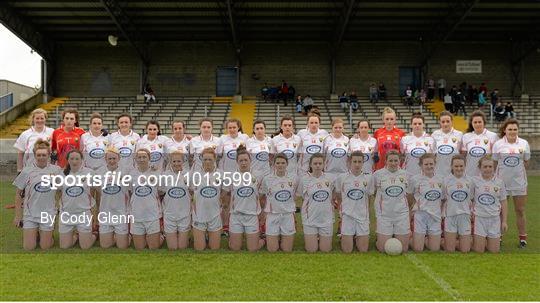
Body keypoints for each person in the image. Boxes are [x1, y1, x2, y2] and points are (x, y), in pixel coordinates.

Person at [12, 139, 61, 250]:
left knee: (45, 247)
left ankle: (48, 235)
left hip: (48, 213)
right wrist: (18, 215)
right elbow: (18, 194)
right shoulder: (27, 171)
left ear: (49, 155)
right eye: (38, 155)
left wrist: (61, 207)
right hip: (30, 214)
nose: (41, 157)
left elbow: (61, 191)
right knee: (29, 247)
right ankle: (36, 233)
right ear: (34, 155)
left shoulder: (56, 170)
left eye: (44, 155)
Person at [492, 119, 530, 248]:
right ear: (505, 130)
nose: (513, 132)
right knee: (500, 211)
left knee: (520, 210)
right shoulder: (498, 144)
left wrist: (516, 173)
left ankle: (523, 238)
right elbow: (495, 163)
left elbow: (526, 162)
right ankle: (498, 236)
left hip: (519, 184)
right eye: (510, 129)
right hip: (501, 184)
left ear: (518, 130)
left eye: (515, 129)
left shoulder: (524, 143)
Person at [224, 147, 264, 251]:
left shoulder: (258, 175)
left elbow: (262, 194)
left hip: (252, 216)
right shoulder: (231, 176)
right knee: (235, 248)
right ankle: (234, 239)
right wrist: (227, 210)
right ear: (237, 162)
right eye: (241, 160)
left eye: (246, 160)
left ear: (250, 161)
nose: (243, 163)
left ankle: (263, 240)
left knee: (253, 249)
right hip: (236, 216)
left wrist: (261, 212)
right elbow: (226, 195)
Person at [57, 150, 97, 249]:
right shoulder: (61, 174)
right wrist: (60, 204)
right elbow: (58, 191)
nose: (74, 161)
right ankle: (76, 236)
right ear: (67, 160)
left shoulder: (89, 173)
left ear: (81, 160)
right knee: (64, 246)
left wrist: (93, 207)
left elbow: (95, 190)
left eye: (77, 159)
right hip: (66, 214)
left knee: (85, 247)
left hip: (83, 213)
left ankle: (95, 234)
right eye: (71, 159)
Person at [335, 151, 374, 253]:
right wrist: (342, 212)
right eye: (354, 161)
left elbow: (369, 197)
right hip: (347, 216)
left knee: (363, 250)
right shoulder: (341, 178)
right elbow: (339, 196)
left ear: (363, 163)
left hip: (362, 217)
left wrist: (366, 213)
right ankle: (345, 236)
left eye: (360, 162)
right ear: (349, 162)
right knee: (347, 250)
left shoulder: (369, 178)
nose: (357, 164)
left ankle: (357, 237)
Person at [297, 153, 336, 252]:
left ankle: (321, 238)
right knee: (311, 250)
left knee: (325, 250)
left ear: (324, 165)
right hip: (310, 219)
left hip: (326, 219)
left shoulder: (330, 178)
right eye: (315, 163)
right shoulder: (304, 179)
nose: (318, 166)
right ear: (310, 165)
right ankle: (314, 237)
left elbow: (334, 195)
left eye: (320, 163)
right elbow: (302, 196)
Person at [373, 150, 410, 253]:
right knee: (382, 248)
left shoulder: (406, 175)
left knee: (404, 249)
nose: (393, 163)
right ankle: (381, 237)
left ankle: (404, 235)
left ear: (400, 161)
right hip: (384, 215)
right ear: (386, 161)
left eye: (395, 160)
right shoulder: (377, 174)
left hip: (401, 214)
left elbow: (409, 195)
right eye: (390, 160)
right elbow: (373, 192)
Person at [260, 153, 298, 252]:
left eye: (283, 163)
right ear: (274, 164)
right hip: (273, 215)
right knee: (272, 249)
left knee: (287, 250)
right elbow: (263, 197)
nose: (280, 165)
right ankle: (266, 239)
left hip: (288, 215)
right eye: (278, 163)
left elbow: (295, 195)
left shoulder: (294, 178)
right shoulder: (267, 179)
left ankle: (282, 238)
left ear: (287, 164)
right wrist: (264, 214)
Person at [191, 148, 226, 251]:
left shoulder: (221, 174)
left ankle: (208, 236)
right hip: (199, 215)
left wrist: (219, 201)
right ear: (201, 160)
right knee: (199, 249)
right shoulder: (194, 175)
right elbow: (191, 192)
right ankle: (200, 237)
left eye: (210, 159)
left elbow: (225, 192)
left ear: (215, 159)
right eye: (205, 159)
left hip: (214, 215)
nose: (207, 162)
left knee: (214, 248)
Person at [471, 155, 508, 253]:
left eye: (490, 167)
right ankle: (473, 241)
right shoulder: (474, 181)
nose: (488, 169)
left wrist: (504, 221)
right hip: (479, 218)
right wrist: (471, 213)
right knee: (479, 251)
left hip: (494, 219)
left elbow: (504, 202)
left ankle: (485, 242)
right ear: (480, 168)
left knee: (494, 251)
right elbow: (469, 200)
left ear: (494, 168)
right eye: (485, 166)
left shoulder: (499, 182)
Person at [95, 148, 130, 249]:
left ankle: (128, 236)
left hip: (121, 213)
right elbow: (98, 189)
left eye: (114, 158)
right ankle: (107, 235)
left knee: (122, 247)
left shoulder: (126, 171)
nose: (112, 161)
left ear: (119, 158)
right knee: (105, 246)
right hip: (106, 213)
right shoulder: (99, 172)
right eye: (109, 158)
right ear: (105, 159)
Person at [408, 154, 444, 252]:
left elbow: (443, 198)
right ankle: (410, 239)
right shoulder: (415, 179)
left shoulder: (441, 179)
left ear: (435, 164)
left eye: (431, 164)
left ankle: (426, 239)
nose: (429, 166)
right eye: (426, 164)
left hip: (435, 216)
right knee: (418, 249)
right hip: (420, 215)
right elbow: (409, 195)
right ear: (421, 165)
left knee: (435, 249)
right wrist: (414, 207)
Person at [129, 148, 162, 250]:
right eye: (139, 157)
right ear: (136, 159)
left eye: (144, 157)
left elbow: (161, 191)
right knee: (139, 248)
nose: (142, 159)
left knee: (153, 247)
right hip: (137, 215)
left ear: (149, 158)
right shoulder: (131, 174)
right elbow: (130, 191)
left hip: (152, 214)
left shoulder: (156, 172)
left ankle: (161, 236)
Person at [159, 151, 191, 250]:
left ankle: (187, 237)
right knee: (172, 248)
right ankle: (161, 236)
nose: (176, 163)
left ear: (183, 162)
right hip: (169, 214)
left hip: (184, 214)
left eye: (179, 161)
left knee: (182, 247)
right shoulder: (164, 175)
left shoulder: (189, 175)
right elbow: (160, 193)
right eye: (174, 161)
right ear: (170, 162)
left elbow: (194, 193)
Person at [443, 155, 473, 253]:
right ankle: (440, 240)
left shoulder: (470, 181)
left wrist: (472, 212)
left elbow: (472, 199)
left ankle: (471, 240)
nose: (459, 168)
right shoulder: (445, 180)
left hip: (465, 216)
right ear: (451, 166)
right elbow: (443, 199)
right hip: (450, 216)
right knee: (450, 250)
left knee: (465, 250)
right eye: (456, 166)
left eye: (461, 166)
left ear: (465, 166)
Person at [461, 111, 498, 177]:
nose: (477, 124)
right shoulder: (466, 136)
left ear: (484, 123)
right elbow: (463, 156)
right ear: (471, 123)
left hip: (487, 174)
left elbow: (496, 157)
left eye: (479, 122)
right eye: (475, 122)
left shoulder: (493, 136)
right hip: (470, 174)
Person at [400, 113, 434, 178]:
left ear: (423, 124)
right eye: (415, 124)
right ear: (411, 125)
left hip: (426, 175)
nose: (417, 125)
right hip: (409, 174)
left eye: (420, 123)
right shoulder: (404, 139)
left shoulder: (431, 139)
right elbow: (402, 157)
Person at [431, 111, 463, 177]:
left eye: (448, 121)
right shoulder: (434, 134)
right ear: (440, 123)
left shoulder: (459, 134)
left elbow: (462, 153)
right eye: (443, 122)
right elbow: (432, 154)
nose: (445, 124)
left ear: (452, 122)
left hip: (455, 171)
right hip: (439, 171)